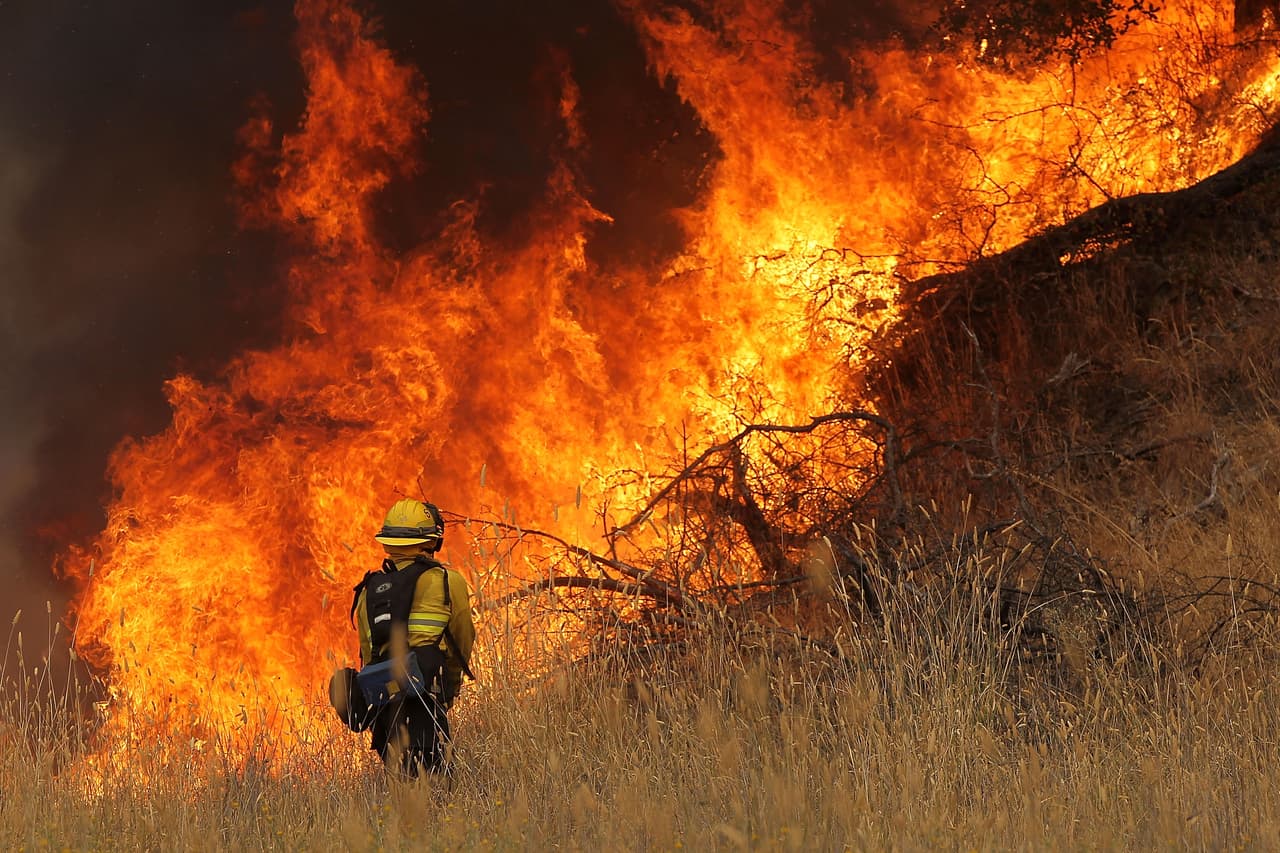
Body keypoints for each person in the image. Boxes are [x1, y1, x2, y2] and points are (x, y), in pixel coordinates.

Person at [328, 499, 475, 776]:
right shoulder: (447, 581)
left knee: (404, 795)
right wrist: (448, 691)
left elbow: (369, 656)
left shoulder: (368, 591)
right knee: (438, 797)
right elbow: (462, 639)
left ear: (388, 542)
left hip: (385, 717)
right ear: (433, 540)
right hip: (426, 706)